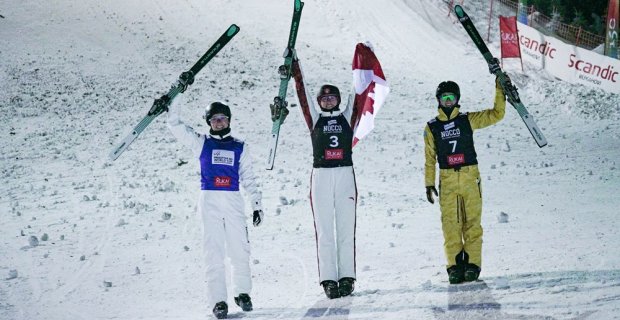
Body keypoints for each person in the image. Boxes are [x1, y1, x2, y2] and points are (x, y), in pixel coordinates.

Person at [166, 95, 264, 319]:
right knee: (214, 252)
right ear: (208, 122)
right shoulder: (201, 142)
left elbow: (248, 177)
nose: (219, 123)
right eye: (214, 119)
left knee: (240, 249)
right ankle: (219, 301)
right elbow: (175, 126)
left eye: (223, 119)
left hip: (233, 201)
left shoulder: (240, 146)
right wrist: (175, 100)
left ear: (229, 120)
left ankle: (242, 293)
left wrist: (256, 204)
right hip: (209, 200)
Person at [423, 74, 507, 284]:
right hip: (448, 178)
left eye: (451, 98)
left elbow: (496, 114)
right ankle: (454, 265)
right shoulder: (432, 127)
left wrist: (500, 88)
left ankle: (472, 265)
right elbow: (429, 158)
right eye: (444, 98)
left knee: (472, 222)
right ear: (438, 101)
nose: (448, 102)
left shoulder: (467, 120)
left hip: (470, 176)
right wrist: (429, 183)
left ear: (458, 99)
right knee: (451, 224)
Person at [288, 54, 358, 299]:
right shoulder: (315, 119)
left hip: (344, 174)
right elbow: (302, 94)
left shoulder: (347, 117)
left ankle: (347, 277)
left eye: (332, 97)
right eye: (324, 98)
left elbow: (357, 93)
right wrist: (295, 67)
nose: (328, 101)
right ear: (319, 102)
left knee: (346, 227)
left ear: (338, 100)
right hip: (321, 176)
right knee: (325, 230)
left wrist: (363, 64)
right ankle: (329, 279)